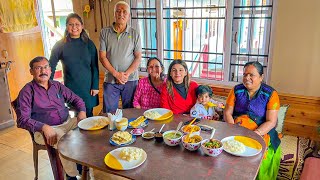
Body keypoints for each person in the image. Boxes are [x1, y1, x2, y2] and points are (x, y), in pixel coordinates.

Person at [16, 56, 86, 180]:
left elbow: (76, 99)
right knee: (63, 139)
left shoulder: (57, 85)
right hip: (43, 131)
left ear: (50, 70)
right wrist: (43, 126)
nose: (43, 71)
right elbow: (22, 120)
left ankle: (84, 167)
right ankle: (72, 176)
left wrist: (82, 112)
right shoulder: (27, 91)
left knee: (88, 126)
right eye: (38, 68)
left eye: (46, 67)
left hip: (67, 122)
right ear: (31, 71)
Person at [224, 61, 281, 180]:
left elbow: (271, 121)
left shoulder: (270, 94)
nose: (247, 78)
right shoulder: (236, 90)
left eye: (251, 75)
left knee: (258, 156)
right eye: (245, 75)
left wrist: (255, 134)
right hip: (237, 129)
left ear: (261, 77)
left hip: (261, 132)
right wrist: (233, 129)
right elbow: (227, 112)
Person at [49, 13, 99, 117]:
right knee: (78, 115)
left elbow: (94, 66)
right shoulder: (60, 45)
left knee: (89, 115)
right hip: (71, 87)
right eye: (71, 24)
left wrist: (95, 85)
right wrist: (49, 85)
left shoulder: (89, 44)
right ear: (66, 27)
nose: (74, 27)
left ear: (82, 26)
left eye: (77, 24)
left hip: (88, 87)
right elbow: (51, 66)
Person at [99, 1, 142, 113]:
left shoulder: (135, 33)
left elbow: (138, 57)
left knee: (130, 112)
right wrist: (116, 74)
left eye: (124, 12)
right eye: (118, 11)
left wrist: (125, 75)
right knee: (109, 113)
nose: (121, 14)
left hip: (130, 79)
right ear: (114, 14)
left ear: (128, 16)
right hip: (111, 79)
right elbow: (102, 57)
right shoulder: (104, 32)